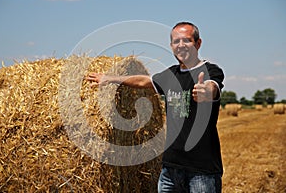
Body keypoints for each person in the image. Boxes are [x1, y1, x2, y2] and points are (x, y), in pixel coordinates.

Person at [87, 21, 224, 193]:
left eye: (187, 40)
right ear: (171, 46)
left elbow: (213, 87)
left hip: (201, 171)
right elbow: (144, 81)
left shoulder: (210, 70)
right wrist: (111, 79)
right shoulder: (171, 74)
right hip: (169, 170)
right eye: (176, 41)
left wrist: (206, 91)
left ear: (198, 43)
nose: (181, 45)